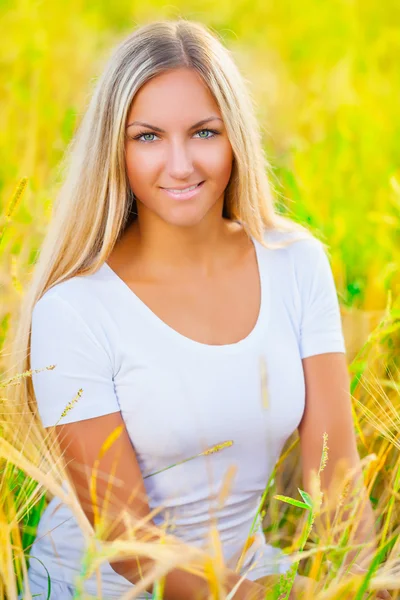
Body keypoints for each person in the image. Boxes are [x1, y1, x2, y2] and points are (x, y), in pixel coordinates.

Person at [11, 18, 389, 600]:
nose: (181, 164)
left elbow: (336, 476)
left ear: (236, 135)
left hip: (252, 579)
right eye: (148, 137)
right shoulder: (75, 309)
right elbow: (132, 548)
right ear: (116, 147)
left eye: (205, 133)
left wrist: (363, 585)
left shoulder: (296, 263)